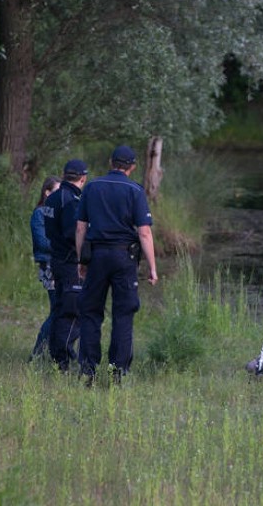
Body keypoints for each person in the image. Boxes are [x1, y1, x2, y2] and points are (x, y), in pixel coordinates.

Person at [76, 145, 158, 385]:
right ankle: (117, 373)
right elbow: (144, 233)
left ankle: (87, 371)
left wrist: (82, 259)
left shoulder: (91, 187)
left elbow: (81, 227)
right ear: (132, 167)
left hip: (97, 257)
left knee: (90, 312)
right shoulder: (135, 190)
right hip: (124, 259)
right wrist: (152, 267)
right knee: (123, 314)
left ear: (111, 162)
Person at [44, 159, 87, 370]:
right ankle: (63, 361)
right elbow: (72, 232)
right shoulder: (71, 200)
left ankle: (55, 359)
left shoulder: (52, 198)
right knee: (71, 313)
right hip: (70, 262)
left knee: (60, 309)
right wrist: (85, 253)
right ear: (83, 178)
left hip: (56, 259)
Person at [29, 175, 61, 360]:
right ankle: (38, 352)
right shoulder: (39, 213)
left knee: (60, 309)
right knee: (58, 309)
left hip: (60, 263)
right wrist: (64, 244)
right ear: (47, 192)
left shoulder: (58, 213)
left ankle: (55, 352)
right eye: (56, 191)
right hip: (49, 266)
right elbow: (42, 242)